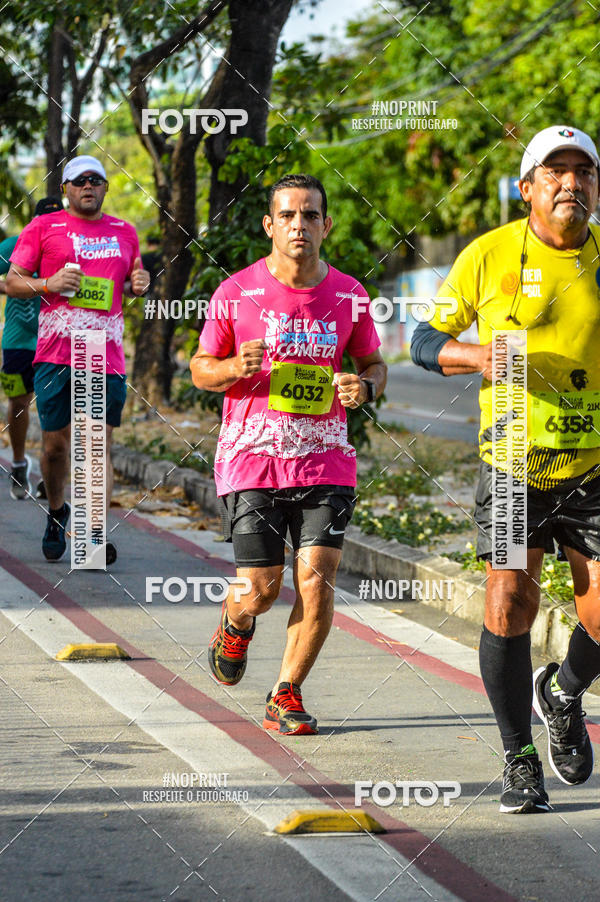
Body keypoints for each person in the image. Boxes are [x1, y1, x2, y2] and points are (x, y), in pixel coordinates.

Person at [411, 125, 600, 813]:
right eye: (556, 171)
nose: (571, 183)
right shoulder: (487, 256)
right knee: (508, 602)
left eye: (584, 171)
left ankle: (565, 693)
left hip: (593, 466)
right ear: (528, 189)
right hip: (515, 457)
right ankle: (520, 756)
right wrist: (478, 356)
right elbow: (423, 342)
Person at [191, 173, 386, 735]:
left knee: (318, 578)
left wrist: (365, 387)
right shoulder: (236, 293)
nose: (299, 225)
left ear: (326, 224)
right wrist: (233, 369)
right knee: (262, 589)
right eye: (288, 216)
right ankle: (235, 618)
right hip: (252, 458)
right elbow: (201, 368)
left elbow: (374, 364)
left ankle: (287, 693)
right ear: (269, 225)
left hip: (325, 458)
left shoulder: (349, 294)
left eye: (310, 215)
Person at [6, 155, 150, 564]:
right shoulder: (43, 227)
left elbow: (132, 279)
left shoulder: (125, 231)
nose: (88, 186)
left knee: (96, 445)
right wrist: (48, 283)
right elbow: (13, 282)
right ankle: (57, 513)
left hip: (105, 355)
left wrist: (140, 283)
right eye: (79, 181)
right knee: (55, 448)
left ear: (105, 187)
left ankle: (94, 535)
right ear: (66, 189)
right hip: (55, 354)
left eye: (96, 180)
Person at [0, 196, 63, 499]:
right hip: (18, 341)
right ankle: (19, 462)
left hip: (57, 340)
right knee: (18, 403)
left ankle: (49, 467)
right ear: (33, 222)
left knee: (57, 406)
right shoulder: (15, 245)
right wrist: (12, 283)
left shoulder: (70, 244)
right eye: (43, 221)